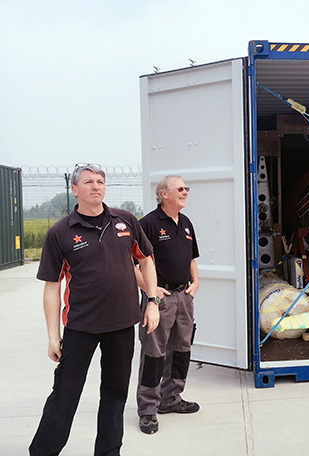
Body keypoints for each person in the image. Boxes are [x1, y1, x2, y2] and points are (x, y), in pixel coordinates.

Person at [29, 163, 161, 456]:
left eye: (100, 181)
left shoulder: (125, 221)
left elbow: (146, 260)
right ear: (74, 190)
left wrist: (152, 301)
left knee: (115, 395)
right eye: (88, 182)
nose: (96, 186)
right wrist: (53, 336)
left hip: (122, 325)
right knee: (65, 395)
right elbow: (52, 288)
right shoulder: (60, 232)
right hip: (81, 327)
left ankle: (109, 451)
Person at [135, 175, 200, 435]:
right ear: (164, 194)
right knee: (154, 354)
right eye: (180, 189)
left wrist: (196, 282)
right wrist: (150, 291)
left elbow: (192, 257)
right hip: (159, 299)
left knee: (182, 349)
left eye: (186, 188)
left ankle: (171, 398)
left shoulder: (186, 223)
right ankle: (147, 409)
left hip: (184, 296)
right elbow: (132, 263)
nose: (185, 192)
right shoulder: (148, 224)